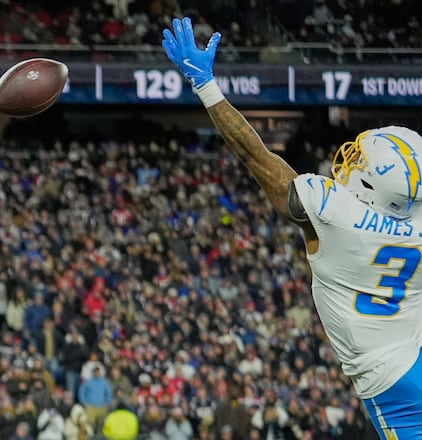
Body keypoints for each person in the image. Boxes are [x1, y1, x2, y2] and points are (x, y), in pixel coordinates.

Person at [163, 17, 422, 438]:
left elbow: (256, 156)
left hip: (391, 379)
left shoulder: (336, 213)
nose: (351, 159)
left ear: (373, 185)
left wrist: (205, 86)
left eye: (361, 161)